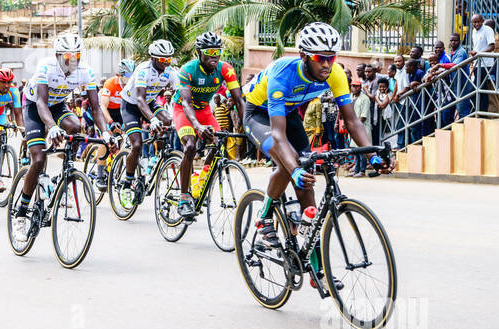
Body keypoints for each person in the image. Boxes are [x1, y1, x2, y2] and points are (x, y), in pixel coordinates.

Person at [241, 22, 389, 266]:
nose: (327, 64)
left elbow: (351, 121)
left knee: (306, 183)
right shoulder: (281, 73)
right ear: (303, 56)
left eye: (332, 58)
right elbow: (278, 136)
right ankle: (264, 216)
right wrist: (295, 169)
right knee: (289, 164)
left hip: (288, 114)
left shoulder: (335, 74)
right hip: (259, 114)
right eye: (321, 58)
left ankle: (317, 268)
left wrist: (372, 154)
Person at [12, 33, 112, 222]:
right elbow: (41, 103)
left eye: (77, 56)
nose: (73, 61)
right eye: (68, 56)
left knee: (75, 127)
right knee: (39, 159)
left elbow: (96, 107)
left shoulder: (86, 71)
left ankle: (64, 176)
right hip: (34, 106)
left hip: (57, 105)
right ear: (58, 55)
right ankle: (21, 212)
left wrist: (105, 132)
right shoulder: (46, 67)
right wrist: (51, 127)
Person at [171, 32, 246, 219]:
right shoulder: (188, 69)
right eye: (210, 51)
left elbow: (238, 99)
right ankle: (183, 197)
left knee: (219, 141)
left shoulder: (226, 69)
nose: (215, 55)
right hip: (183, 109)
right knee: (189, 145)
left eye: (218, 51)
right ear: (199, 52)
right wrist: (197, 126)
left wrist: (248, 127)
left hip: (204, 109)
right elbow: (186, 103)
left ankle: (202, 178)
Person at [117, 39, 179, 194]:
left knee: (168, 121)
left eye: (169, 59)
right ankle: (128, 181)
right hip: (131, 104)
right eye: (163, 59)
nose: (167, 63)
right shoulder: (143, 69)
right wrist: (152, 120)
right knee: (137, 145)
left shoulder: (170, 72)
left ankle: (156, 159)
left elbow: (180, 95)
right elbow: (139, 99)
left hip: (149, 102)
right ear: (153, 58)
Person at [469, 13, 496, 115]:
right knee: (481, 87)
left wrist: (479, 53)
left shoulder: (488, 30)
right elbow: (477, 47)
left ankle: (480, 111)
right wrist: (473, 53)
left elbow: (491, 46)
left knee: (477, 88)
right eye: (474, 22)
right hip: (477, 63)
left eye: (479, 21)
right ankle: (480, 111)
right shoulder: (473, 32)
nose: (477, 24)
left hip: (486, 64)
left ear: (482, 21)